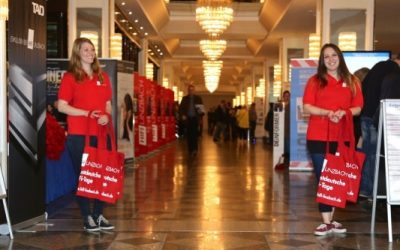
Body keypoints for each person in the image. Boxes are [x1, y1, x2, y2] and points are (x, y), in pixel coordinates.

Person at [303, 43, 363, 236]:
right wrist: (328, 113)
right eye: (326, 56)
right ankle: (326, 221)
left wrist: (343, 113)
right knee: (324, 178)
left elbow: (359, 107)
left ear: (340, 57)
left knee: (337, 177)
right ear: (322, 61)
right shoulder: (315, 81)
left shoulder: (352, 81)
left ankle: (331, 219)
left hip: (343, 136)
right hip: (319, 136)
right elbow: (307, 107)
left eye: (334, 55)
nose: (330, 59)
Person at [57, 37, 115, 232]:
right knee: (84, 177)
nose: (90, 53)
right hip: (79, 134)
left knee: (103, 175)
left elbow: (108, 104)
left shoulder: (103, 77)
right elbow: (62, 106)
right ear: (77, 53)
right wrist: (86, 113)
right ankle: (86, 216)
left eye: (92, 50)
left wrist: (106, 115)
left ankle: (98, 214)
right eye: (86, 50)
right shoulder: (70, 77)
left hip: (101, 134)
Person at [359, 53, 400, 199]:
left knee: (366, 152)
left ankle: (364, 188)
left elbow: (362, 87)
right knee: (375, 154)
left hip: (365, 114)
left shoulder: (377, 66)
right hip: (377, 117)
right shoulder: (394, 72)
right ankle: (374, 191)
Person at [178, 84, 204, 157]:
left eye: (192, 90)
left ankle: (195, 150)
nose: (191, 91)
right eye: (189, 90)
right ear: (188, 91)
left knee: (195, 135)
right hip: (188, 119)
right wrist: (182, 115)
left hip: (195, 119)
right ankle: (190, 150)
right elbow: (181, 109)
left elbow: (201, 111)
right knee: (189, 135)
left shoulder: (198, 98)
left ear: (194, 90)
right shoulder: (185, 99)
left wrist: (200, 118)